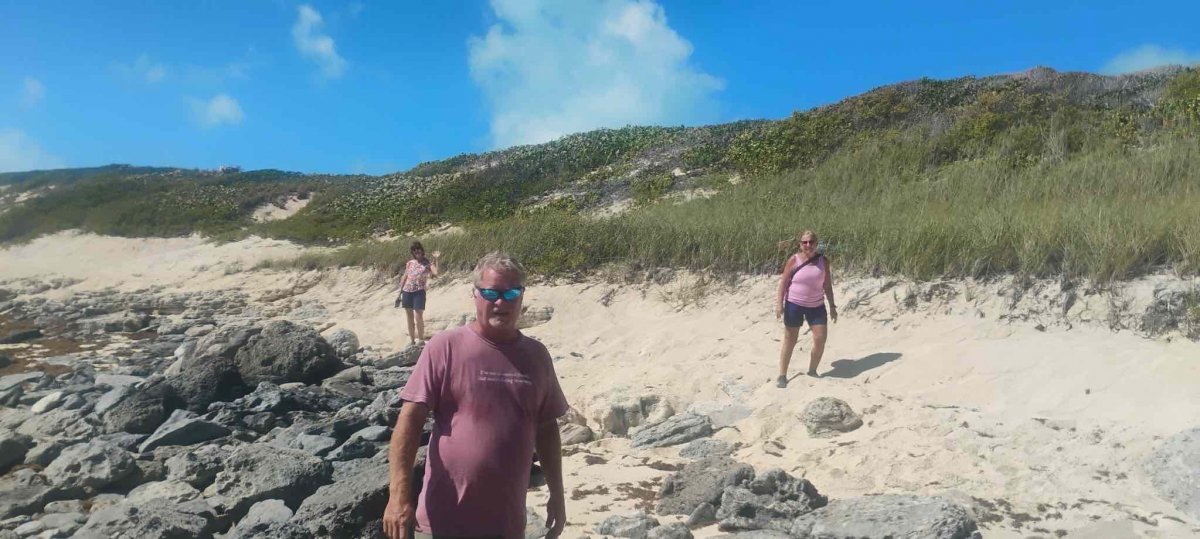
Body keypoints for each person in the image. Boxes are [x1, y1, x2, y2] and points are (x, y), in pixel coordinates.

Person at [383, 252, 569, 539]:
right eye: (491, 293)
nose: (501, 302)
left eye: (511, 293)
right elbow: (409, 420)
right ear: (475, 295)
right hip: (441, 523)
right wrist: (397, 497)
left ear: (522, 296)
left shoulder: (537, 356)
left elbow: (546, 428)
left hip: (506, 526)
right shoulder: (445, 346)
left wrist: (557, 494)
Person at [774, 230, 838, 388]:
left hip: (816, 306)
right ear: (800, 245)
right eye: (805, 242)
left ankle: (812, 371)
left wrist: (832, 306)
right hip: (794, 304)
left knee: (820, 339)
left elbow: (827, 285)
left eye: (811, 242)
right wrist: (779, 304)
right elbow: (783, 283)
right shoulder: (794, 260)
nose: (808, 245)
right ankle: (782, 375)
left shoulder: (824, 261)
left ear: (816, 244)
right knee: (790, 339)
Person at [396, 241, 440, 344]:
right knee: (409, 317)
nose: (417, 251)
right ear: (412, 252)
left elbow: (436, 273)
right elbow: (405, 277)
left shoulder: (428, 263)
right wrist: (399, 293)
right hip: (407, 291)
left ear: (422, 250)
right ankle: (412, 341)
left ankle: (420, 340)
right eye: (414, 250)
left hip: (419, 292)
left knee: (418, 316)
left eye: (418, 249)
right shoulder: (410, 263)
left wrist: (436, 259)